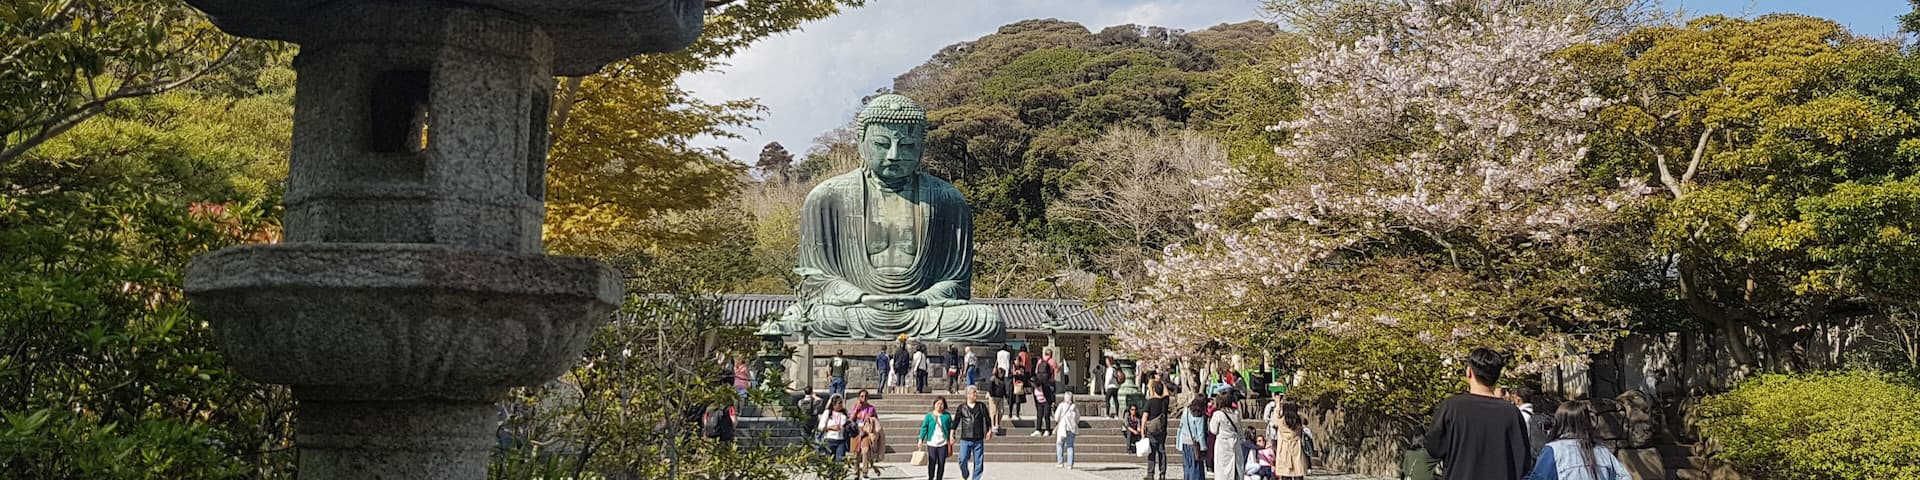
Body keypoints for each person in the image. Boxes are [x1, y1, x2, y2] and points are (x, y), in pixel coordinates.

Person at [1423, 348, 1532, 480]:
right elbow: (1523, 462)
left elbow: (1433, 448)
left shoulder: (1452, 407)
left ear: (1469, 372)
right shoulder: (1512, 413)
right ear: (1497, 376)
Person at [1525, 400, 1630, 480]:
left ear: (1559, 422)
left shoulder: (1553, 450)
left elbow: (1540, 477)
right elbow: (1624, 477)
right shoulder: (1602, 450)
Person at [954, 387, 994, 480]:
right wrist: (952, 432)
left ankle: (975, 478)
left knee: (979, 461)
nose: (975, 394)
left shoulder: (981, 406)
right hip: (965, 438)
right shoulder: (961, 407)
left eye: (976, 392)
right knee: (962, 459)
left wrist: (989, 430)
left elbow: (987, 419)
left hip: (978, 438)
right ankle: (965, 473)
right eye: (973, 393)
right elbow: (956, 421)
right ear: (967, 395)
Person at [1507, 387, 1552, 458]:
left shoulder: (1519, 415)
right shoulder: (1538, 412)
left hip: (1529, 454)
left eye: (1514, 398)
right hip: (1542, 451)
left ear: (1518, 399)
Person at [1144, 374, 1173, 480]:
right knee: (1161, 450)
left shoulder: (1150, 402)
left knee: (1151, 452)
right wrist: (1162, 383)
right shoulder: (1164, 402)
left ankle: (1150, 473)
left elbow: (1144, 417)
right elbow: (1166, 393)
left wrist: (1142, 429)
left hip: (1151, 430)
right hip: (1162, 429)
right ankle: (1162, 473)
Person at [919, 397, 956, 480]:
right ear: (934, 404)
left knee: (941, 462)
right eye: (938, 403)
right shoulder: (929, 416)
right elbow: (924, 428)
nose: (940, 406)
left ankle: (939, 478)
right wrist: (920, 439)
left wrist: (952, 437)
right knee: (932, 462)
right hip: (932, 443)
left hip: (943, 443)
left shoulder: (947, 416)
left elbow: (951, 427)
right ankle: (931, 477)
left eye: (942, 404)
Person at [1211, 393, 1245, 480]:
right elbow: (1240, 429)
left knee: (1223, 469)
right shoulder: (1236, 413)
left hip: (1223, 442)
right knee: (1236, 465)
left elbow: (1213, 430)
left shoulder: (1218, 414)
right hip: (1235, 441)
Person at [1271, 401, 1309, 480]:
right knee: (1298, 473)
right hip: (1296, 449)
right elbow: (1305, 420)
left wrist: (1278, 405)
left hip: (1284, 450)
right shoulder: (1299, 421)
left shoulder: (1281, 422)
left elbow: (1274, 419)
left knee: (1285, 475)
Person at [1178, 396, 1211, 480]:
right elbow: (1200, 434)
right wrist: (1204, 447)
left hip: (1185, 441)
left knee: (1187, 466)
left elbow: (1181, 425)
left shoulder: (1186, 410)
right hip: (1195, 443)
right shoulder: (1199, 416)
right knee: (1196, 467)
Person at [1054, 391, 1080, 469]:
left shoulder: (1061, 405)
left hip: (1063, 427)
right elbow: (1078, 418)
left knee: (1059, 444)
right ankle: (1070, 464)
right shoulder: (1075, 407)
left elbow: (1056, 417)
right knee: (1070, 446)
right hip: (1072, 428)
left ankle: (1060, 462)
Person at [821, 395, 851, 462]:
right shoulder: (827, 413)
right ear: (833, 405)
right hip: (829, 440)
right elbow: (820, 427)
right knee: (829, 461)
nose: (841, 405)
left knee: (840, 460)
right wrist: (831, 427)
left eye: (841, 403)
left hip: (841, 440)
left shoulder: (844, 414)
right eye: (839, 403)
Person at [989, 368, 1009, 434]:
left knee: (1001, 411)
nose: (1002, 375)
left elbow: (1004, 389)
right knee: (993, 411)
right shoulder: (993, 378)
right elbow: (990, 387)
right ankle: (993, 425)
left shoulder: (1002, 380)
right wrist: (991, 394)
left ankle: (998, 423)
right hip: (994, 396)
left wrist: (1006, 396)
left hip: (1000, 397)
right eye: (1001, 373)